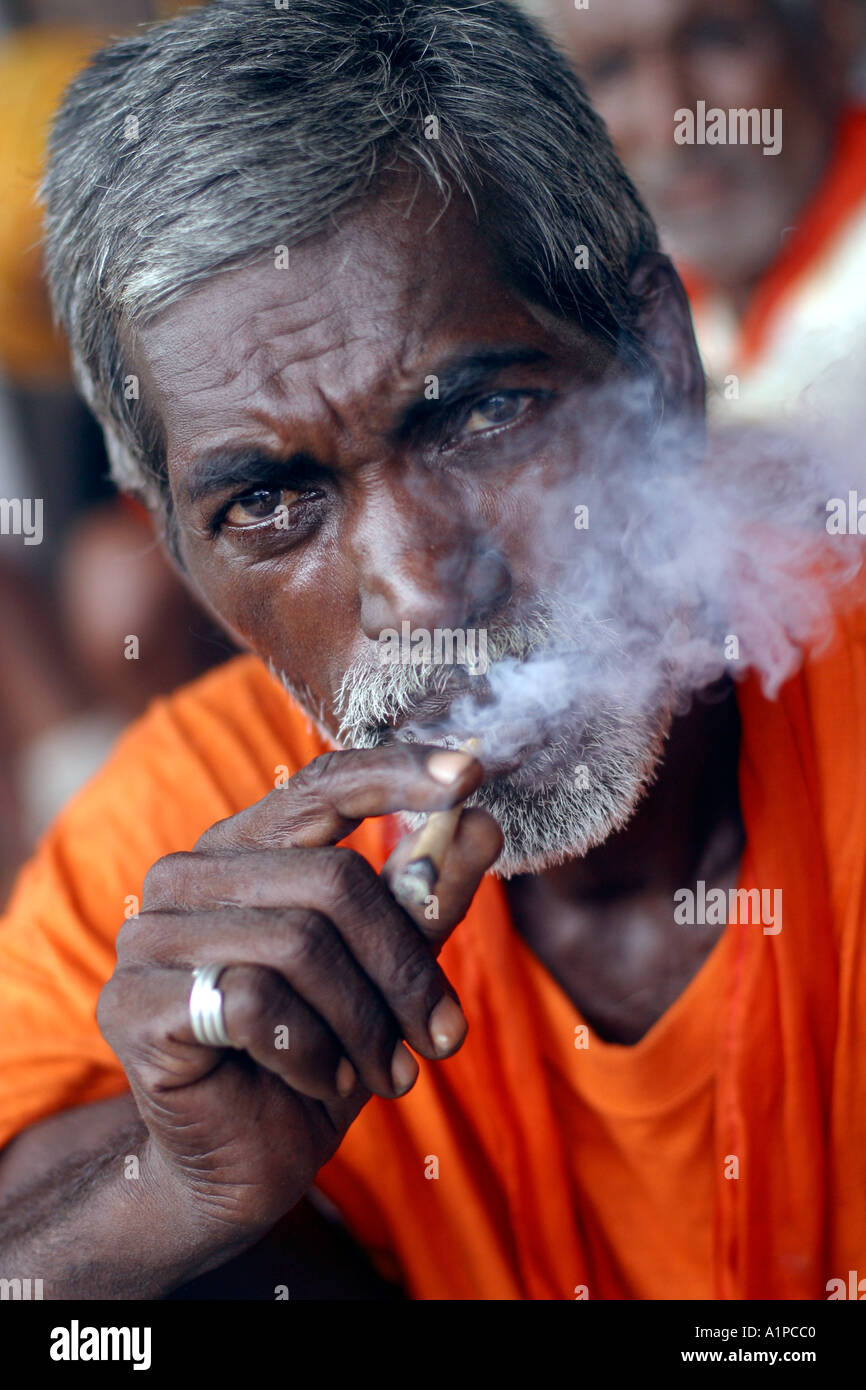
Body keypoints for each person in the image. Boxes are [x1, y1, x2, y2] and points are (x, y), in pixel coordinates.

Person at [0, 0, 863, 1302]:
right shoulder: (185, 837)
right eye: (272, 501)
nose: (419, 588)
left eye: (479, 413)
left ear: (657, 357)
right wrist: (174, 1189)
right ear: (182, 563)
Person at [527, 0, 866, 420]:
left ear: (831, 36)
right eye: (610, 69)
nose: (671, 126)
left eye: (712, 39)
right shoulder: (636, 304)